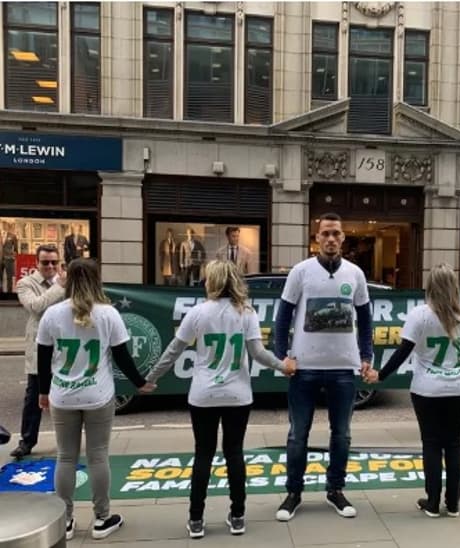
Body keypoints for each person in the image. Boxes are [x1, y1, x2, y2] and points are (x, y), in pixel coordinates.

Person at [145, 260, 295, 539]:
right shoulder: (246, 313)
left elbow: (174, 350)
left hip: (203, 395)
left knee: (203, 454)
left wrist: (150, 378)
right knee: (234, 453)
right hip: (238, 395)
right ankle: (238, 515)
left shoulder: (198, 313)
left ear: (212, 281)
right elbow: (259, 354)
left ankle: (196, 519)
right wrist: (283, 366)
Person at [36, 258, 156, 541]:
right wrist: (140, 383)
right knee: (98, 455)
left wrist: (43, 392)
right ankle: (102, 518)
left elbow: (43, 359)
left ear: (68, 279)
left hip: (63, 395)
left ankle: (64, 520)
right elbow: (122, 356)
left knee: (65, 457)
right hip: (98, 395)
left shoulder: (52, 315)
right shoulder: (108, 314)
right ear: (96, 280)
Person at [273, 212, 373, 521]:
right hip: (305, 368)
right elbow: (283, 317)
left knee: (341, 434)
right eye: (325, 233)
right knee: (297, 434)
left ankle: (335, 490)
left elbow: (366, 317)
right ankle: (293, 493)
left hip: (343, 368)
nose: (331, 238)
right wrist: (282, 356)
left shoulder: (355, 274)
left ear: (343, 238)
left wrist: (366, 354)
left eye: (336, 234)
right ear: (317, 238)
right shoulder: (300, 272)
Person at [363, 263, 460, 517]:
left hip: (427, 389)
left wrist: (380, 375)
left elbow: (403, 352)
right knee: (455, 443)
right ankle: (454, 503)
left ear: (431, 287)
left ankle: (433, 501)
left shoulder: (420, 315)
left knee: (431, 443)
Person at [10, 244, 66, 459]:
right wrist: (59, 287)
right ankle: (26, 441)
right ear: (37, 263)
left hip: (63, 348)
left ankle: (67, 441)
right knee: (34, 396)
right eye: (45, 262)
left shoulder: (64, 281)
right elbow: (35, 306)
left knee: (66, 398)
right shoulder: (25, 283)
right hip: (39, 349)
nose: (50, 266)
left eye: (54, 262)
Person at [1, 220, 19, 293]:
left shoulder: (12, 236)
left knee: (9, 277)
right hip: (0, 259)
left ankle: (9, 293)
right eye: (2, 225)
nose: (4, 226)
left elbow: (16, 248)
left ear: (8, 226)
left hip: (9, 259)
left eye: (5, 225)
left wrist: (13, 257)